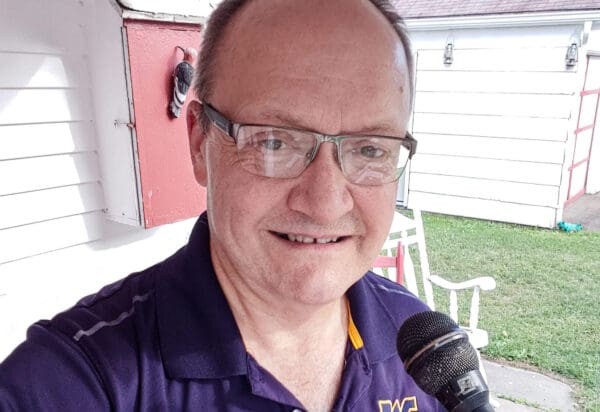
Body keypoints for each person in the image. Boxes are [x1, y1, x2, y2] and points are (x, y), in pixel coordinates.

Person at [0, 0, 445, 410]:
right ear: (200, 144)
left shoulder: (427, 351)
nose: (325, 203)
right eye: (273, 142)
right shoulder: (77, 380)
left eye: (370, 149)